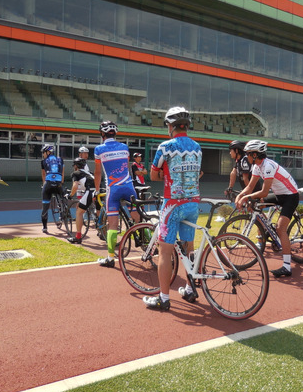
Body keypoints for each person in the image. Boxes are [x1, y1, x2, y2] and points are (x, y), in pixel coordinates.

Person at [143, 106, 202, 311]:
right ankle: (190, 288)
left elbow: (153, 175)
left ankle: (163, 298)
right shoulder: (197, 146)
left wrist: (166, 176)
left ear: (171, 126)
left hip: (173, 204)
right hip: (193, 202)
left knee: (165, 253)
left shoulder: (166, 146)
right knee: (189, 247)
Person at [235, 140, 300, 278]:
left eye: (248, 154)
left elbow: (264, 192)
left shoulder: (268, 166)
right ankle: (266, 229)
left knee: (280, 228)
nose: (246, 157)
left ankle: (287, 267)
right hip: (279, 194)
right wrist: (240, 195)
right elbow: (250, 187)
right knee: (258, 203)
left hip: (290, 196)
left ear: (255, 154)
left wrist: (247, 197)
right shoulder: (257, 166)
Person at [93, 120, 137, 267]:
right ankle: (150, 244)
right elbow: (126, 165)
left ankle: (110, 258)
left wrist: (97, 189)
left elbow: (98, 173)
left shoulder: (99, 149)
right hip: (129, 186)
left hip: (113, 189)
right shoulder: (124, 147)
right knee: (138, 218)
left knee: (112, 225)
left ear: (102, 134)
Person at [67, 158, 95, 244]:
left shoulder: (76, 173)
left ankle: (78, 237)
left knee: (79, 212)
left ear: (75, 166)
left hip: (90, 192)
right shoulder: (90, 173)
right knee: (98, 212)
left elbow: (75, 186)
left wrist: (70, 195)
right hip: (99, 191)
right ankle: (103, 231)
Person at [40, 143, 64, 234]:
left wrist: (44, 185)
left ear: (48, 152)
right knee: (62, 200)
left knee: (45, 206)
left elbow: (43, 174)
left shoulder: (43, 161)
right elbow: (62, 173)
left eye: (43, 152)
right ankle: (63, 215)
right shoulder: (60, 159)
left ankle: (45, 227)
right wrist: (61, 183)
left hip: (48, 183)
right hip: (58, 183)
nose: (43, 154)